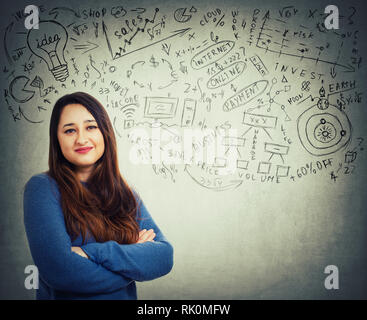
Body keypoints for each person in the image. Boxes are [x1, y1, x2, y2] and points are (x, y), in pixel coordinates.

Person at [23, 92, 173, 300]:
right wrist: (132, 265)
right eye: (69, 130)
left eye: (91, 127)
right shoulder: (43, 188)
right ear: (56, 139)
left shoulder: (125, 193)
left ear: (105, 132)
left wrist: (90, 252)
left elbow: (163, 257)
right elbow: (61, 272)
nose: (81, 139)